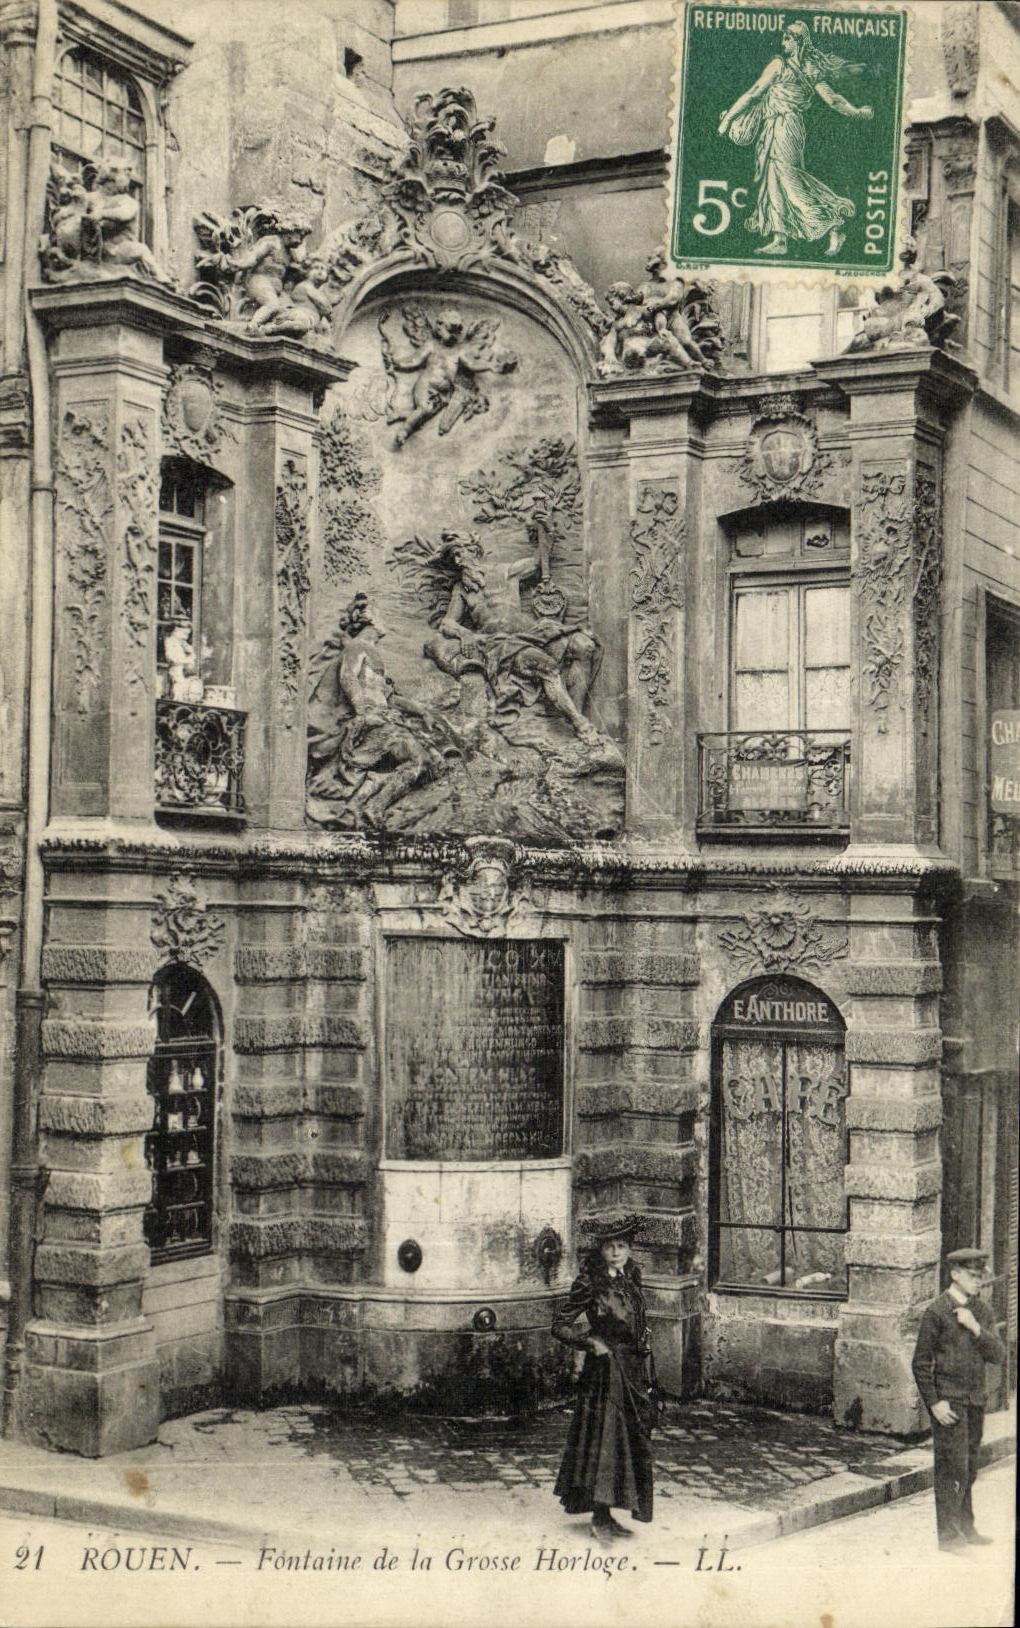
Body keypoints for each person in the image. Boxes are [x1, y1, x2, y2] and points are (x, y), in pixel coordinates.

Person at [717, 20, 874, 258]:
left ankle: (833, 224)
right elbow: (833, 100)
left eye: (787, 39)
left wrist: (728, 118)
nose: (783, 43)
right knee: (774, 181)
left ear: (796, 40)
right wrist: (857, 112)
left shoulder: (780, 65)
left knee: (788, 179)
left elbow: (754, 93)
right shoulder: (809, 68)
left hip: (785, 126)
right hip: (778, 126)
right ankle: (780, 238)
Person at [551, 1215, 655, 1544]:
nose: (615, 1252)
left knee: (630, 1441)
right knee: (606, 1441)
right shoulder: (590, 1282)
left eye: (621, 1246)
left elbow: (636, 1317)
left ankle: (611, 1513)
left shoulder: (632, 1275)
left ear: (629, 1248)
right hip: (605, 1373)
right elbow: (561, 1325)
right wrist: (591, 1342)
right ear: (601, 1250)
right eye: (610, 1247)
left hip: (632, 1368)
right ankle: (599, 1516)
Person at [911, 1246, 1004, 1554]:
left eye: (981, 1276)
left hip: (975, 1400)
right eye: (974, 1276)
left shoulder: (981, 1311)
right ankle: (949, 1538)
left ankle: (966, 1527)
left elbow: (998, 1355)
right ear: (955, 1275)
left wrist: (975, 1328)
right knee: (952, 1468)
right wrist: (934, 1403)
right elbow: (921, 1363)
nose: (979, 1281)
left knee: (970, 1467)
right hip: (949, 1404)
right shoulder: (936, 1312)